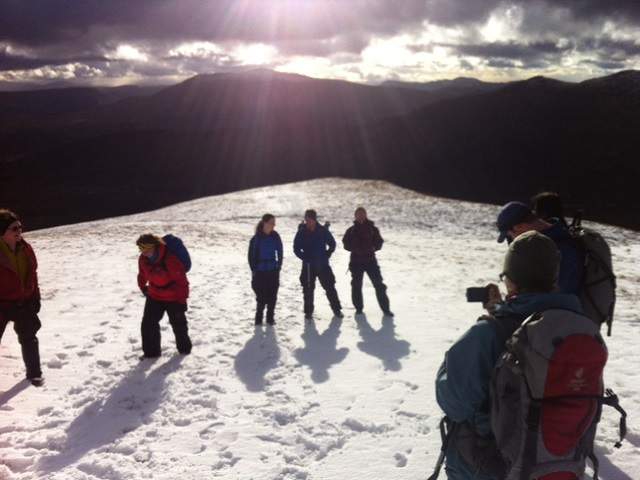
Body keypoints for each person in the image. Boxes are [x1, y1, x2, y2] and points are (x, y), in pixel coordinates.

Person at [435, 231, 583, 480]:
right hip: (558, 460)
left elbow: (453, 401)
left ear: (511, 282)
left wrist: (496, 319)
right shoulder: (578, 327)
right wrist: (501, 310)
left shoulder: (488, 334)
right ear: (554, 278)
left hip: (492, 464)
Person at [495, 201, 583, 294]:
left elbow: (557, 297)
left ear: (519, 227)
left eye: (510, 236)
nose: (512, 241)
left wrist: (505, 305)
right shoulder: (554, 237)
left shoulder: (561, 249)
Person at [0, 210, 44, 386]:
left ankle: (34, 374)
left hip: (23, 301)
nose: (19, 231)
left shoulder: (25, 248)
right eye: (14, 228)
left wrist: (35, 297)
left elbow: (32, 273)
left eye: (20, 227)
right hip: (1, 304)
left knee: (29, 337)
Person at [136, 234, 192, 358]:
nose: (144, 253)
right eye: (142, 250)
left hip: (173, 296)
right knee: (148, 324)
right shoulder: (143, 259)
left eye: (147, 250)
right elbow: (142, 274)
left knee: (179, 325)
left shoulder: (169, 258)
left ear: (155, 246)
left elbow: (181, 281)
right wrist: (143, 287)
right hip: (155, 295)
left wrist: (182, 301)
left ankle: (184, 352)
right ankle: (151, 354)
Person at [342, 207, 393, 316]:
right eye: (358, 214)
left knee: (379, 285)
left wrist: (373, 248)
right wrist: (355, 249)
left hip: (370, 261)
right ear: (355, 216)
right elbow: (345, 244)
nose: (360, 216)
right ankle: (359, 308)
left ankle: (386, 309)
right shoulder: (351, 230)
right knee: (356, 285)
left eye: (362, 214)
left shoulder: (372, 229)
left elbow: (379, 242)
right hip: (356, 262)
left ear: (365, 215)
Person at [293, 209, 343, 319]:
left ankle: (337, 309)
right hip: (308, 266)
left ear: (315, 219)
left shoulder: (322, 231)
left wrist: (327, 254)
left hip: (323, 265)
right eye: (306, 219)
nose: (308, 222)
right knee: (308, 289)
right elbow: (296, 248)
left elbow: (332, 244)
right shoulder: (301, 232)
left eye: (310, 219)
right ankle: (308, 312)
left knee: (330, 287)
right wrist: (304, 257)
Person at [248, 214, 283, 325]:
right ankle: (258, 319)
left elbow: (280, 252)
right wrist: (254, 270)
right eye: (271, 222)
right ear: (264, 223)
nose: (274, 225)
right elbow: (251, 256)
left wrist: (278, 266)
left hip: (273, 270)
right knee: (261, 297)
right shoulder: (256, 238)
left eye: (274, 223)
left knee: (273, 296)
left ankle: (270, 318)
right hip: (260, 272)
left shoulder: (275, 236)